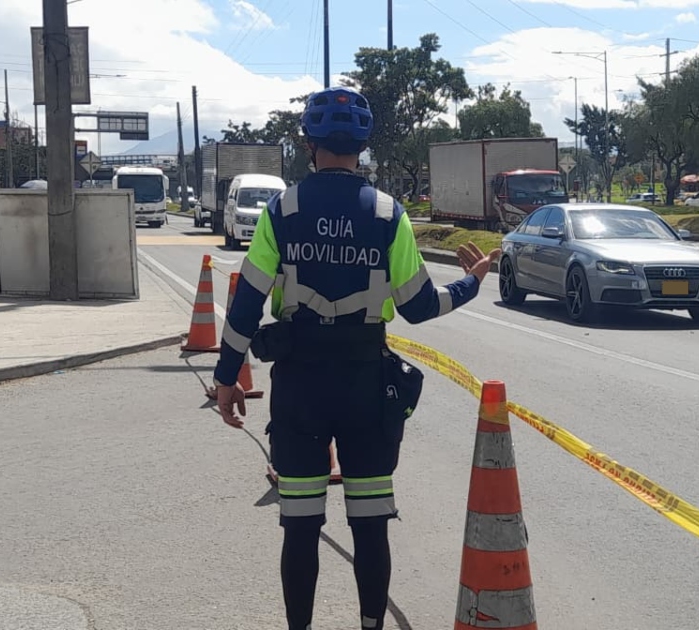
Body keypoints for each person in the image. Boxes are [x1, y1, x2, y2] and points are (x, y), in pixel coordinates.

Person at [212, 85, 500, 630]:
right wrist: (469, 284)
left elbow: (247, 303)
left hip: (299, 387)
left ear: (307, 144)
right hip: (368, 388)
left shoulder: (283, 210)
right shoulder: (390, 214)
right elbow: (416, 306)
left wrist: (227, 378)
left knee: (299, 524)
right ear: (363, 145)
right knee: (371, 523)